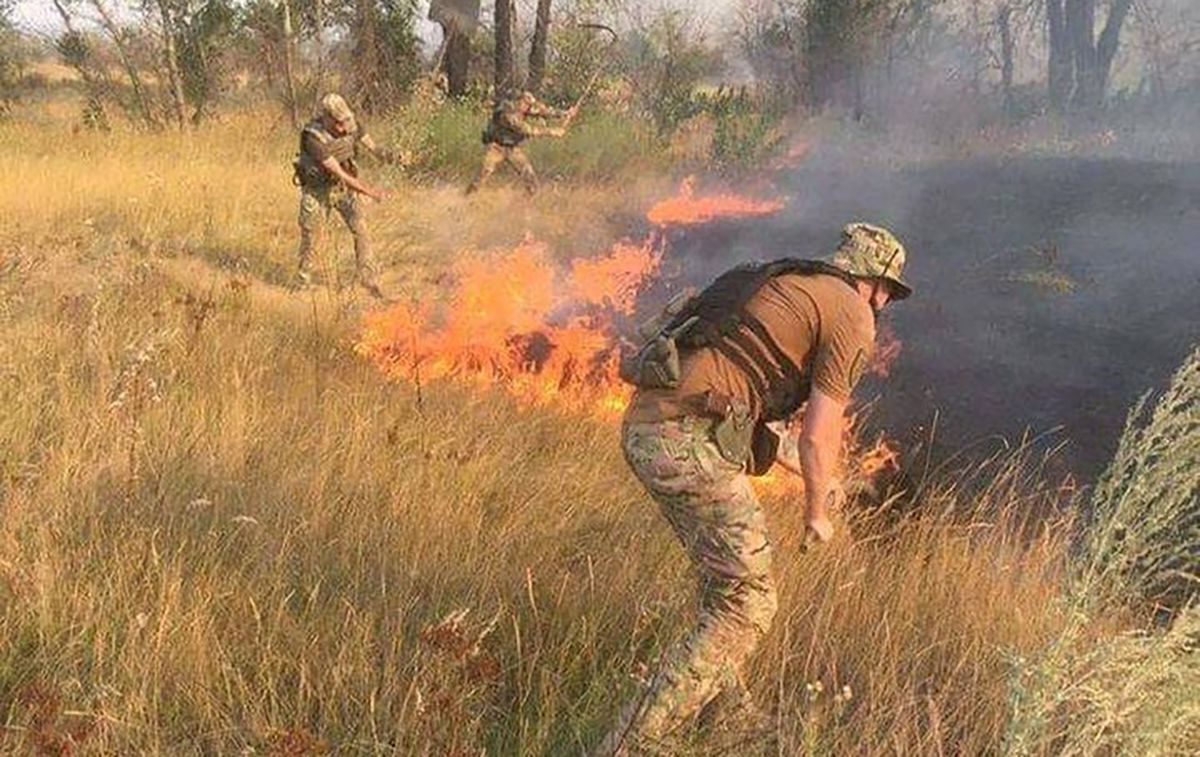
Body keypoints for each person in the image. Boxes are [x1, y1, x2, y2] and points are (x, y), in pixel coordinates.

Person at [599, 223, 914, 754]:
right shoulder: (852, 311)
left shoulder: (780, 282)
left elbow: (759, 421)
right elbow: (819, 432)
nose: (884, 303)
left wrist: (828, 479)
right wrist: (817, 512)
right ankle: (632, 743)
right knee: (748, 604)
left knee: (723, 589)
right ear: (871, 280)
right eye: (887, 290)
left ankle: (730, 725)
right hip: (687, 442)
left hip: (652, 430)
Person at [292, 93, 399, 299]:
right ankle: (303, 282)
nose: (344, 128)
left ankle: (367, 278)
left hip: (344, 189)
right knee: (312, 236)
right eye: (339, 123)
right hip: (318, 190)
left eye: (345, 121)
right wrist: (370, 191)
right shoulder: (313, 137)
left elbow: (375, 150)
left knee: (361, 229)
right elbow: (338, 172)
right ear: (327, 118)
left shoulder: (351, 125)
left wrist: (393, 157)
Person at [465, 90, 574, 195]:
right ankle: (468, 197)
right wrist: (552, 131)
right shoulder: (507, 113)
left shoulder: (523, 107)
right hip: (496, 147)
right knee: (483, 173)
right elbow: (526, 130)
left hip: (513, 149)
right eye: (527, 104)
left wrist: (565, 113)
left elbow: (543, 111)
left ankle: (530, 201)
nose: (529, 107)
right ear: (519, 101)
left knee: (529, 176)